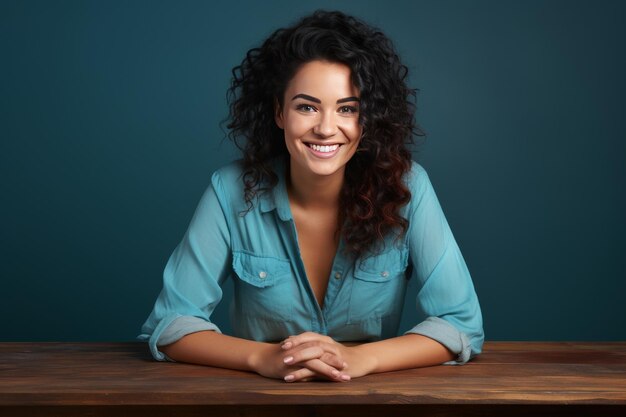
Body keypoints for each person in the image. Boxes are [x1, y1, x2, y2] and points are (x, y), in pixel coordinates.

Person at [138, 10, 484, 383]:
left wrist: (360, 359)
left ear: (368, 119)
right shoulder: (231, 190)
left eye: (347, 109)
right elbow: (171, 324)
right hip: (259, 404)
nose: (325, 128)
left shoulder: (408, 187)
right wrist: (263, 357)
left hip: (372, 404)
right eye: (307, 106)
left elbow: (459, 323)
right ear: (279, 113)